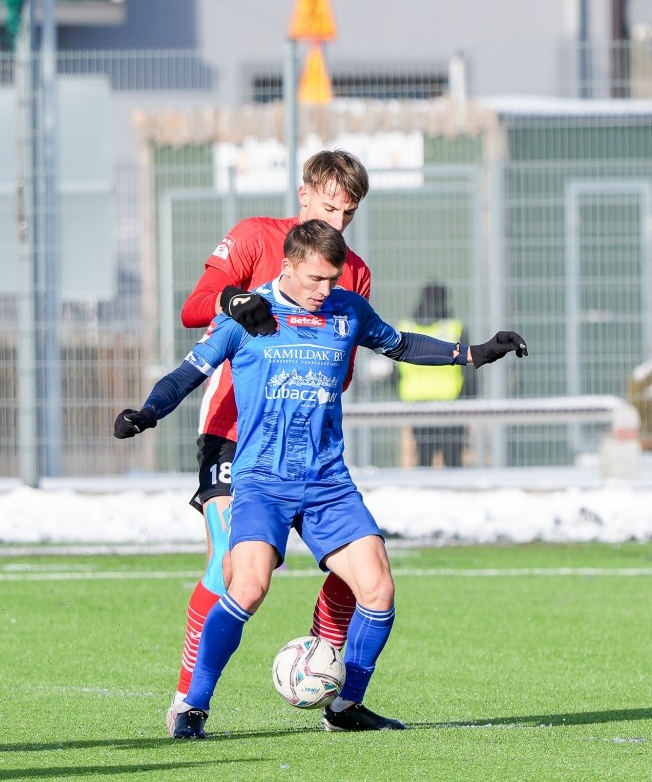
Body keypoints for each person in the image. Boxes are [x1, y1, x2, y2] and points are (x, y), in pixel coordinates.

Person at [114, 220, 528, 738]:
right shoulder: (249, 316)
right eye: (315, 279)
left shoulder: (347, 310)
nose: (324, 290)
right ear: (287, 265)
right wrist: (148, 411)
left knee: (377, 588)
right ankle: (193, 706)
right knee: (248, 585)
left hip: (327, 481)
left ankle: (346, 705)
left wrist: (472, 353)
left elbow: (400, 345)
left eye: (332, 279)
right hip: (262, 479)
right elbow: (188, 374)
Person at [168, 149, 371, 736]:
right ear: (304, 194)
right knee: (232, 567)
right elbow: (193, 308)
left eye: (349, 213)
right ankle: (188, 701)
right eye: (329, 207)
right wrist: (232, 299)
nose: (337, 222)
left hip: (307, 449)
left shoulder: (353, 271)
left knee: (359, 566)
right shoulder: (255, 235)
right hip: (233, 432)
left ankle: (327, 673)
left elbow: (343, 364)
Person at [397, 282, 476, 467]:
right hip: (451, 402)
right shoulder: (454, 328)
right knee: (453, 460)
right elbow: (469, 368)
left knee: (423, 458)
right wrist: (470, 399)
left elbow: (395, 370)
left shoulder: (405, 327)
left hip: (416, 402)